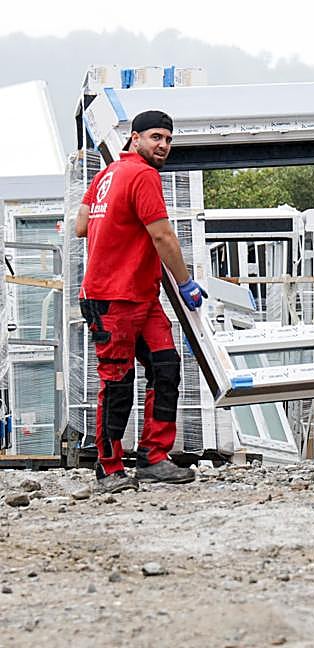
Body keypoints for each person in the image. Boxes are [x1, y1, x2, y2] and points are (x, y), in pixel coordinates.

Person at [74, 110, 207, 494]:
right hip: (112, 299)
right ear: (134, 138)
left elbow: (81, 226)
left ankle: (153, 458)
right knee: (117, 382)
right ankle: (109, 469)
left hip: (141, 296)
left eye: (168, 139)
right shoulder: (143, 175)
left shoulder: (106, 174)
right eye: (156, 137)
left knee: (166, 367)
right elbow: (163, 236)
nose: (163, 145)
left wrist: (117, 233)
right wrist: (185, 282)